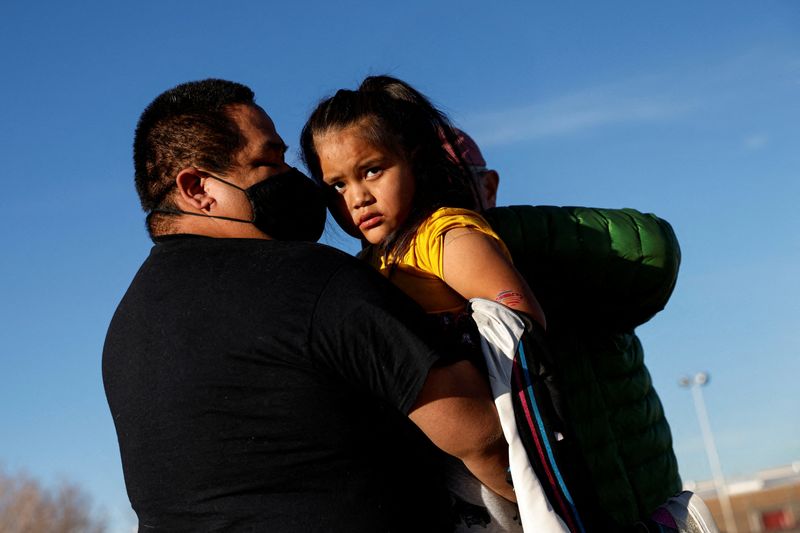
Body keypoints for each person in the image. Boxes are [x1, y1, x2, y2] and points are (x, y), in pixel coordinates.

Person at [102, 78, 515, 532]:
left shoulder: (124, 334)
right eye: (269, 161)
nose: (299, 182)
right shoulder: (311, 280)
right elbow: (485, 437)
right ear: (198, 189)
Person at [300, 76, 555, 533]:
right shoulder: (372, 261)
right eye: (336, 186)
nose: (357, 198)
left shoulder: (445, 237)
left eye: (372, 170)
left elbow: (526, 342)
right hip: (432, 481)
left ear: (412, 158)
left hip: (497, 479)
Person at [451, 128, 687, 531]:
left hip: (640, 511)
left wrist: (480, 233)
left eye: (450, 183)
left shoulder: (560, 262)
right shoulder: (410, 287)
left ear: (487, 186)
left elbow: (653, 250)